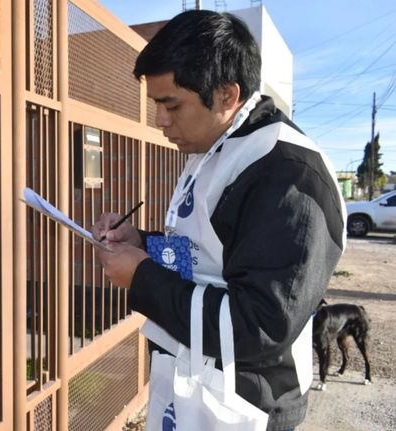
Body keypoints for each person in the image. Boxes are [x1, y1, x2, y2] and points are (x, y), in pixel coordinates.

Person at [90, 10, 344, 431]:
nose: (161, 121)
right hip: (192, 389)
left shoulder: (290, 173)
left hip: (242, 407)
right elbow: (205, 254)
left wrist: (142, 277)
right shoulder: (213, 149)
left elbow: (259, 326)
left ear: (227, 95)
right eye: (156, 104)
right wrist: (142, 242)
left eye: (172, 105)